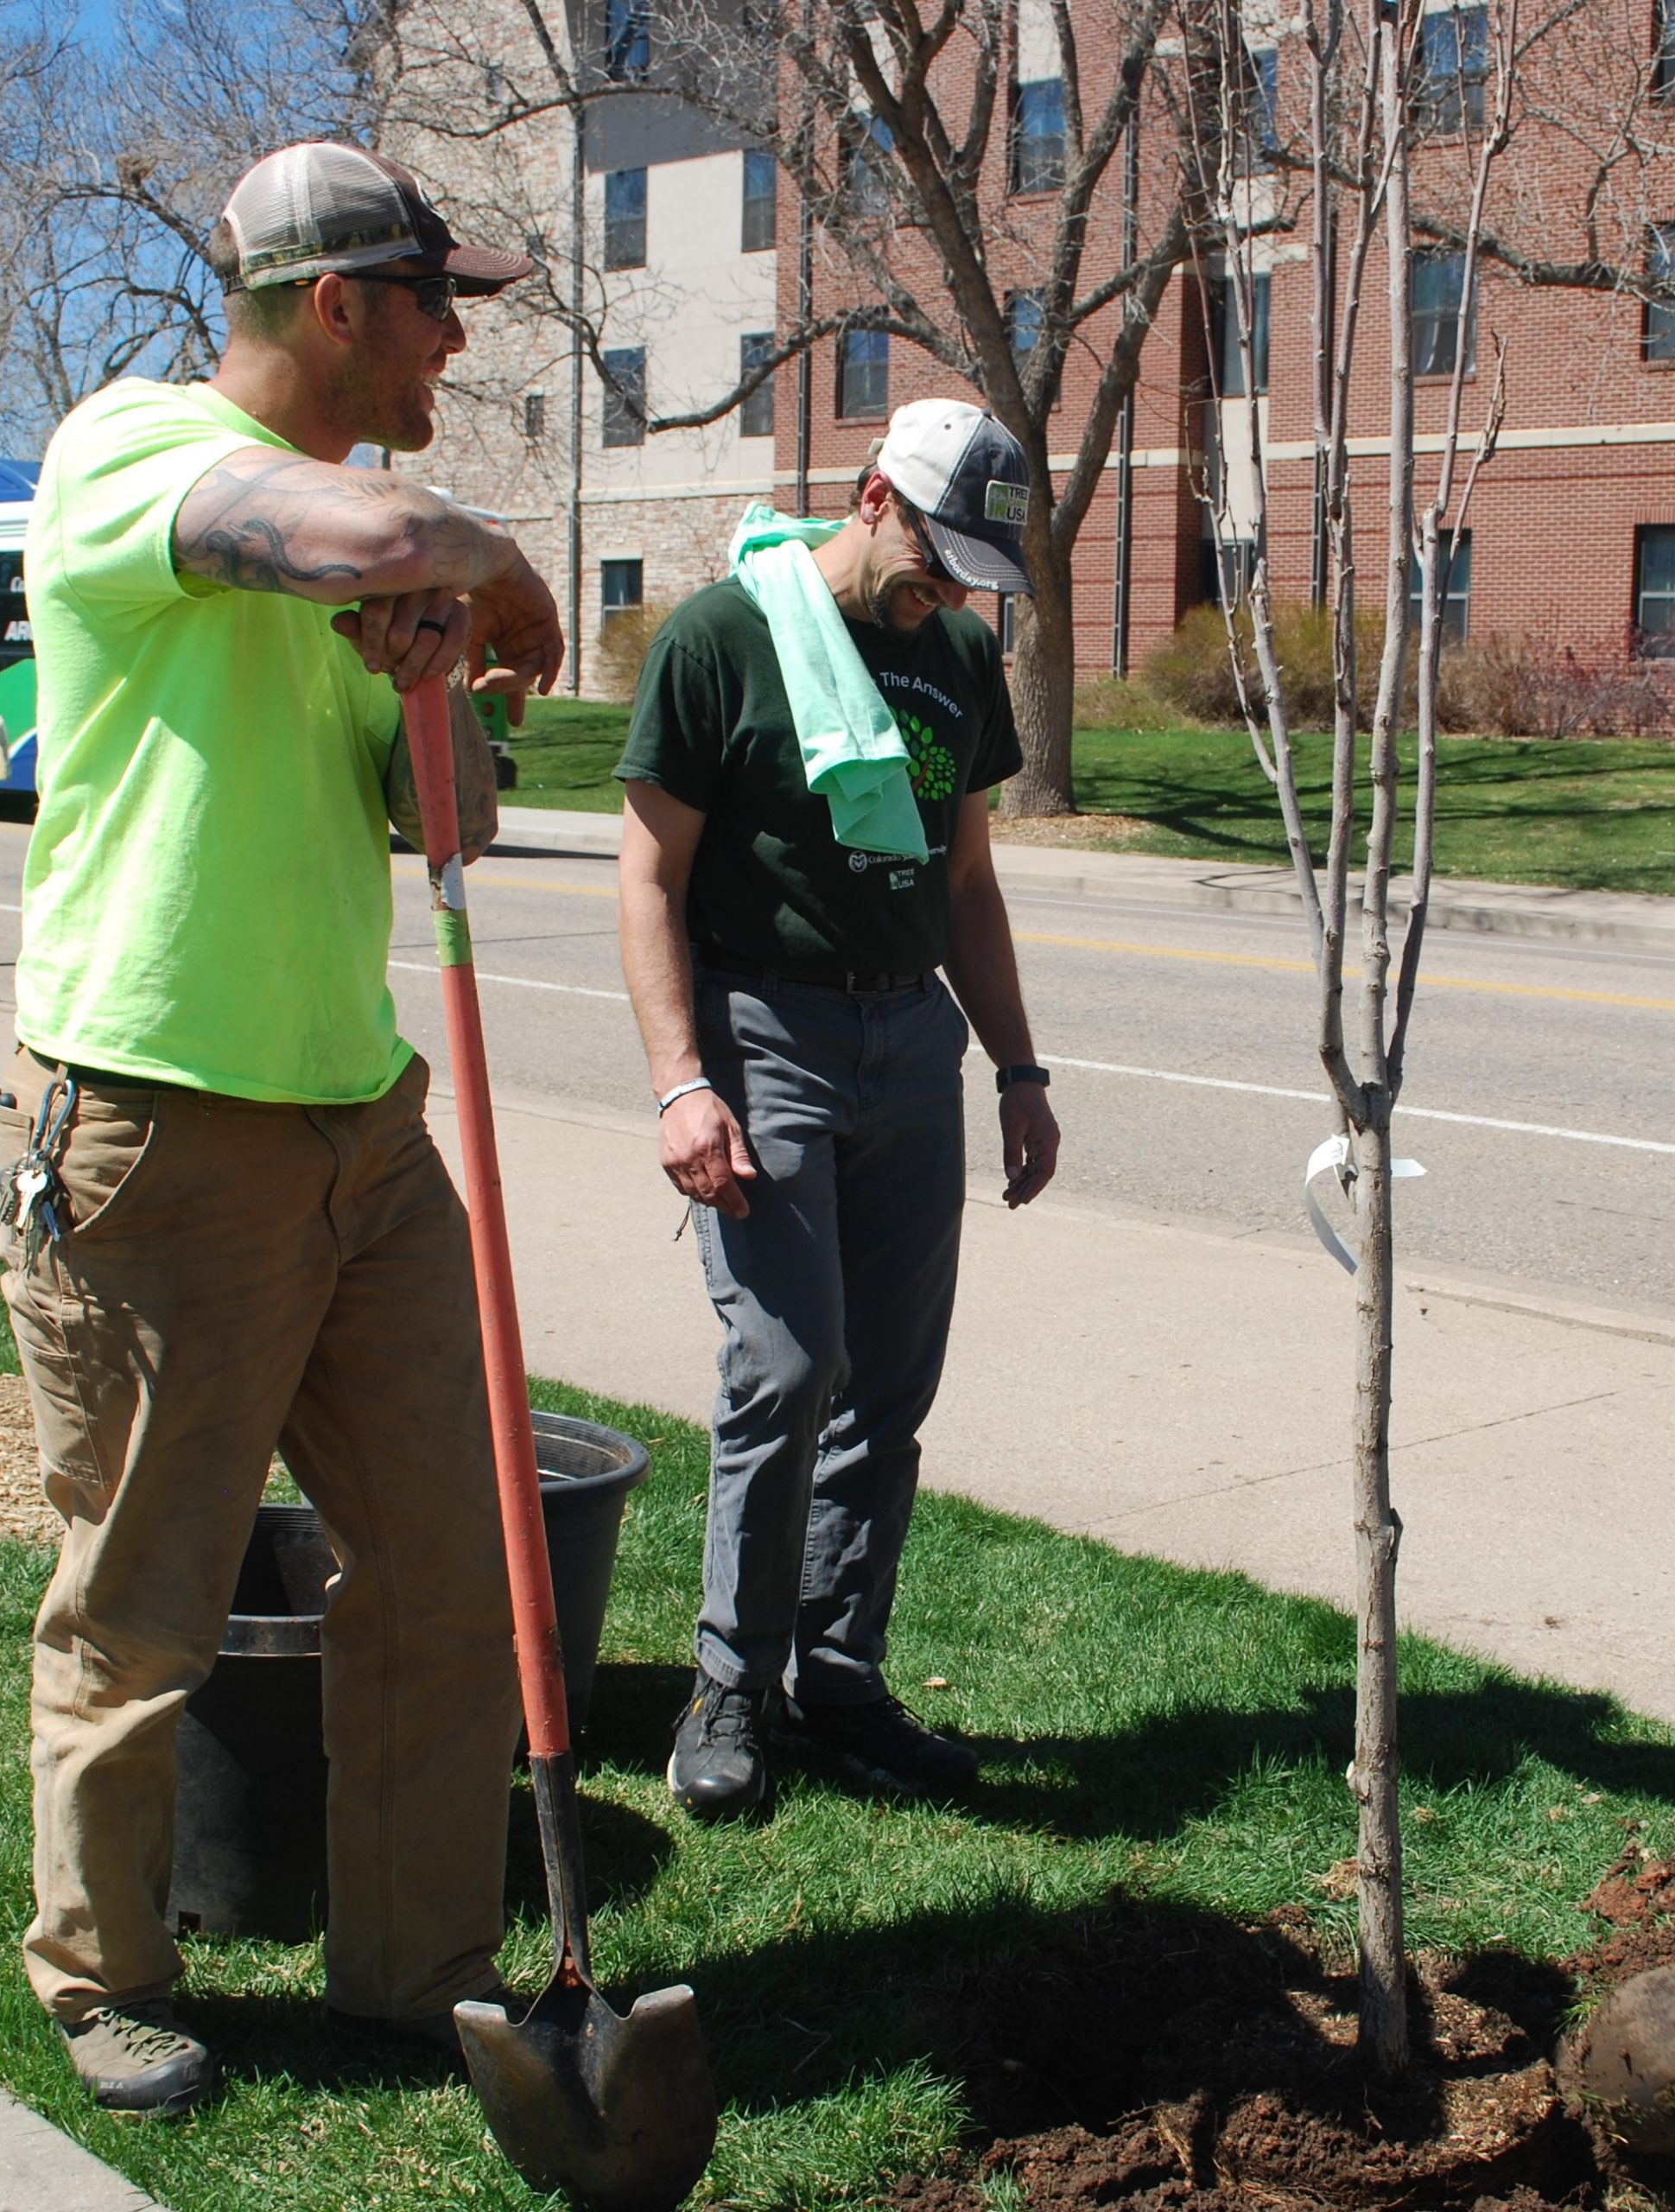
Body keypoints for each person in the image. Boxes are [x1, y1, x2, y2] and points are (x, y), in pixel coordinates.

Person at [12, 142, 563, 2114]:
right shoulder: (133, 453)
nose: (453, 342)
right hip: (164, 1123)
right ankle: (101, 1969)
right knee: (149, 1575)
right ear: (339, 306)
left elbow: (449, 827)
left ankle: (421, 1968)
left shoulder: (360, 547)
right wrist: (469, 560)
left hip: (362, 1121)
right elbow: (335, 536)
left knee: (441, 1549)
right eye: (437, 304)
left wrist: (444, 696)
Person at [617, 396, 1061, 1821]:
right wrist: (684, 1083)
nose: (946, 599)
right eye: (936, 562)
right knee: (787, 1367)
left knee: (891, 1384)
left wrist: (1019, 1067)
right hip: (764, 1031)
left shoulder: (958, 657)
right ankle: (732, 1686)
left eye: (973, 580)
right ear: (872, 498)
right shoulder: (722, 639)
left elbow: (972, 885)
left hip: (910, 1039)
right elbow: (645, 880)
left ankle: (840, 1676)